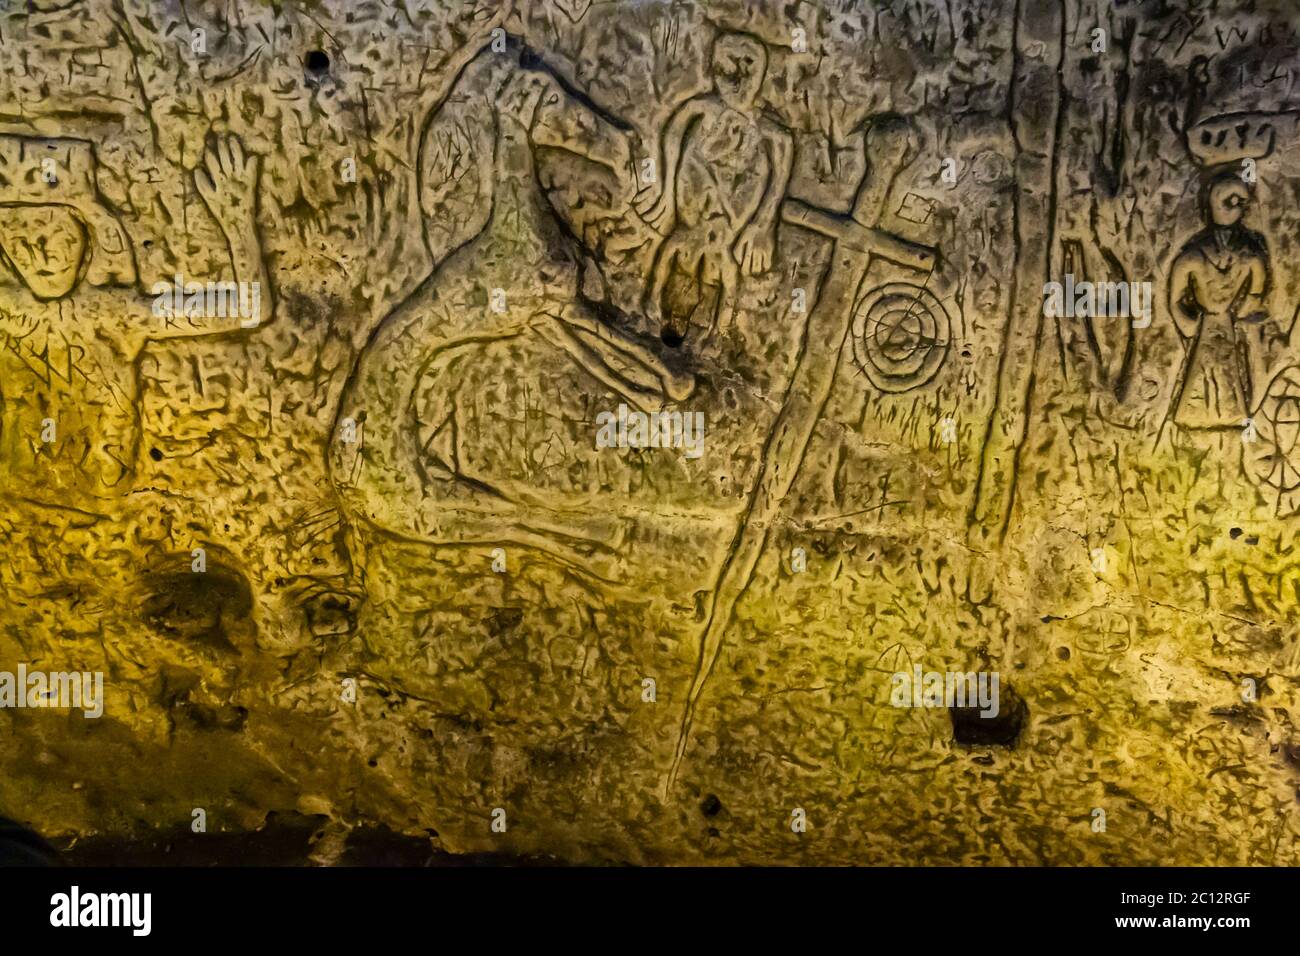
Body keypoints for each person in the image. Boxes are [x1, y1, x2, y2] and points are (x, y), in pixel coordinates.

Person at [0, 134, 271, 501]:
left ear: (88, 232)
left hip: (100, 499)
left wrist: (238, 226)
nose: (37, 252)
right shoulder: (10, 310)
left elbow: (248, 309)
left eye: (51, 231)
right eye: (15, 235)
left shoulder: (114, 314)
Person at [636, 32, 793, 343]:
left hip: (713, 193)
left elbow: (675, 130)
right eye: (728, 69)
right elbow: (730, 291)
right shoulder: (718, 255)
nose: (738, 79)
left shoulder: (683, 243)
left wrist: (764, 223)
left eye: (747, 68)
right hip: (715, 192)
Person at [1167, 174, 1273, 430]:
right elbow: (1176, 299)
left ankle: (1228, 414)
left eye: (1238, 202)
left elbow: (1256, 293)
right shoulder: (1192, 256)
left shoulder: (1250, 254)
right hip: (1206, 324)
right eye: (1228, 201)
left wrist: (1243, 318)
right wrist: (1189, 326)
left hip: (1226, 324)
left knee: (1227, 376)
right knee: (1202, 376)